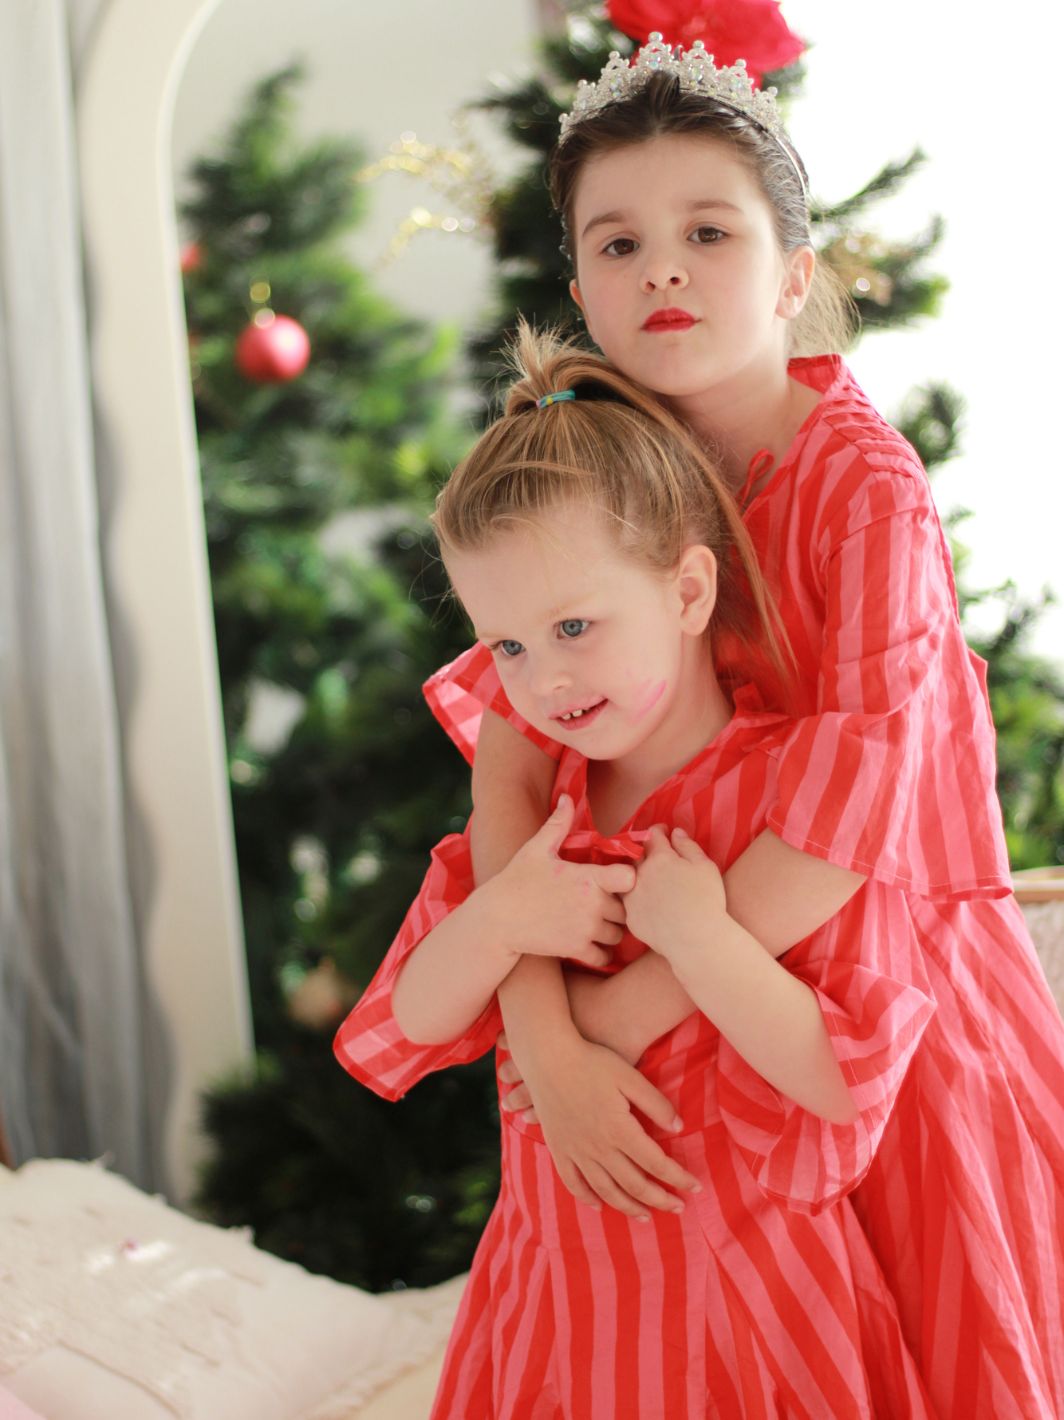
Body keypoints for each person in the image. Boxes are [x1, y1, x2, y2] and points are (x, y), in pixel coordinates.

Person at [415, 34, 1064, 1417]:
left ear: (791, 273)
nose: (662, 267)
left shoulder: (864, 492)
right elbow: (515, 790)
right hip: (660, 959)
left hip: (866, 991)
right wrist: (548, 1048)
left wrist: (626, 1018)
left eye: (708, 231)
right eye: (618, 240)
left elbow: (843, 831)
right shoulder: (597, 452)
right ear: (578, 283)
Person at [336, 325, 948, 1414]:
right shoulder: (539, 814)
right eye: (508, 647)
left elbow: (836, 1080)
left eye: (573, 624)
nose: (543, 678)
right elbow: (416, 1019)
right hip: (558, 1314)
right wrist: (505, 913)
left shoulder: (783, 812)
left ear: (686, 590)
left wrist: (703, 938)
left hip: (746, 1320)